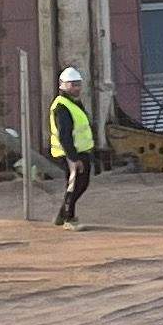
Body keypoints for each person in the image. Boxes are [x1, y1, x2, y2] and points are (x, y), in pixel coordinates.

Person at [45, 64, 99, 228]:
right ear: (62, 85)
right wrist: (73, 157)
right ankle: (69, 218)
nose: (76, 88)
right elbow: (65, 135)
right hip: (70, 152)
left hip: (80, 150)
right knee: (75, 184)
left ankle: (62, 216)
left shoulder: (73, 103)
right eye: (72, 84)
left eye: (78, 84)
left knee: (81, 184)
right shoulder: (62, 106)